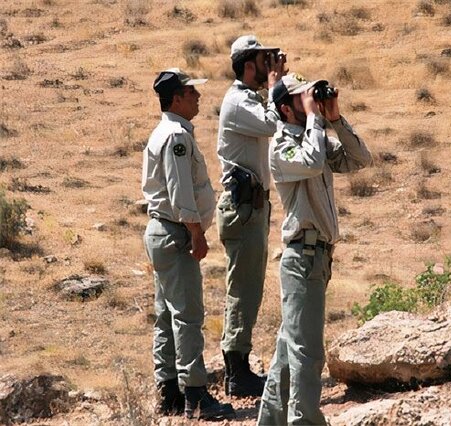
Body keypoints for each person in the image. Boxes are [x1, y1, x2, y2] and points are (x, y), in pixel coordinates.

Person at [257, 73, 373, 425]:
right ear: (286, 109)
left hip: (317, 258)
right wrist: (314, 120)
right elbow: (309, 162)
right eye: (301, 98)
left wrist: (334, 118)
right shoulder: (282, 146)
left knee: (288, 353)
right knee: (307, 354)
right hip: (302, 258)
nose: (310, 101)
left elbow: (359, 159)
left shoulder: (316, 137)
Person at [142, 68, 235, 421]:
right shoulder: (176, 136)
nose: (197, 96)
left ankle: (168, 392)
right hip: (175, 232)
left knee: (166, 315)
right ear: (177, 98)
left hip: (162, 231)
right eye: (191, 91)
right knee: (188, 316)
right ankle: (195, 395)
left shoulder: (163, 131)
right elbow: (181, 191)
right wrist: (196, 232)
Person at [216, 34, 287, 398]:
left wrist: (277, 85)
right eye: (263, 60)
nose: (268, 66)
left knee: (249, 288)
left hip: (251, 207)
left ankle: (238, 366)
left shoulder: (249, 100)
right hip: (242, 209)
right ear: (247, 65)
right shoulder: (238, 103)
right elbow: (274, 123)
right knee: (243, 290)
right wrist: (276, 87)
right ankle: (237, 372)